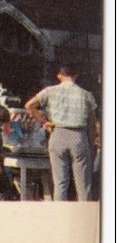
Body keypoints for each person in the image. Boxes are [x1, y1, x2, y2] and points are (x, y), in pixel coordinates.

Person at [25, 65, 98, 201]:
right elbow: (92, 125)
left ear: (59, 75)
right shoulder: (87, 95)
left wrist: (44, 121)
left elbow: (29, 105)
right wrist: (92, 145)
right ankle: (84, 216)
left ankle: (59, 215)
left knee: (60, 183)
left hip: (57, 133)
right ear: (76, 76)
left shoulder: (49, 91)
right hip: (79, 136)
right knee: (83, 184)